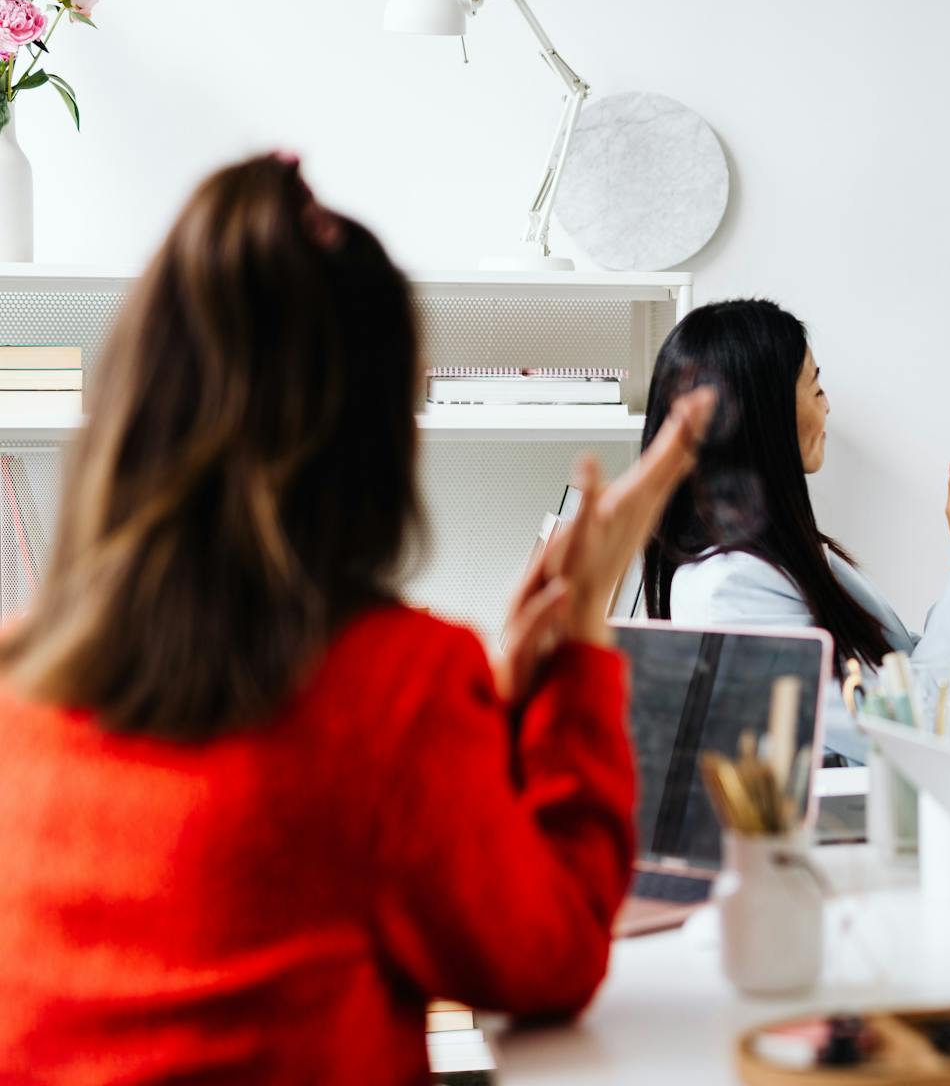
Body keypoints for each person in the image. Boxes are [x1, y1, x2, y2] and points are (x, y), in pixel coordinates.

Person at [0, 154, 713, 1082]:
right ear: (373, 435)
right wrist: (579, 649)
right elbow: (552, 957)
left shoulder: (20, 673)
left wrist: (483, 707)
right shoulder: (395, 687)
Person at [640, 298, 950, 764]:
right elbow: (911, 732)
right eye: (817, 391)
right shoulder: (730, 589)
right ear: (766, 417)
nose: (828, 409)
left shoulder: (773, 560)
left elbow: (903, 680)